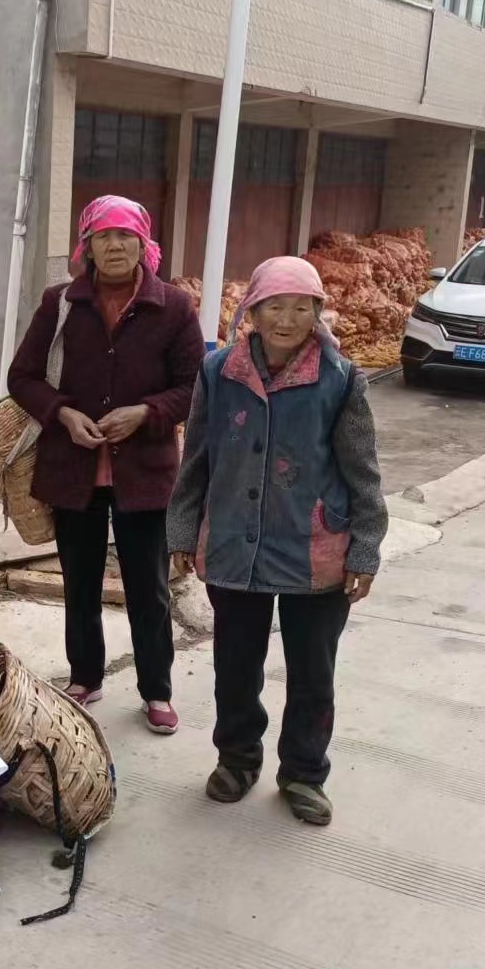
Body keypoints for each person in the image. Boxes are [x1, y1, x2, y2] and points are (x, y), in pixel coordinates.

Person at [166, 256, 386, 824]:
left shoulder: (340, 379)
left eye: (301, 308)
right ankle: (237, 759)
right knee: (236, 667)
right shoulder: (219, 372)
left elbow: (363, 473)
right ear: (253, 312)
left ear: (317, 313)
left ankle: (304, 774)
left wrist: (365, 549)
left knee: (313, 673)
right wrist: (183, 530)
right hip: (234, 544)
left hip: (316, 549)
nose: (287, 320)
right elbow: (196, 458)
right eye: (275, 307)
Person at [9, 195, 205, 733]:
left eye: (125, 236)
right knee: (81, 584)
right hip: (74, 470)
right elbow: (22, 377)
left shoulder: (174, 307)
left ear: (144, 244)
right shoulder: (60, 303)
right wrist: (63, 413)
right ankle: (85, 676)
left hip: (145, 474)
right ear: (87, 246)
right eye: (103, 236)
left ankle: (156, 690)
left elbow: (194, 386)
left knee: (149, 588)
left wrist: (146, 413)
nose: (115, 246)